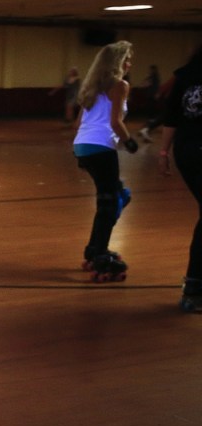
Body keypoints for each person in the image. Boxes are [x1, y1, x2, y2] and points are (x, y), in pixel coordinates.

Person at [72, 41, 138, 281]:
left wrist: (81, 156)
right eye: (127, 59)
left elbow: (78, 124)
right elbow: (115, 122)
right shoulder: (120, 86)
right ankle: (99, 255)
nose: (130, 63)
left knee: (116, 197)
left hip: (82, 146)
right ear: (118, 63)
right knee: (110, 204)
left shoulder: (90, 87)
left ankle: (94, 249)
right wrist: (130, 143)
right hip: (101, 147)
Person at [157, 45, 202, 311]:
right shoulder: (186, 75)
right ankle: (194, 288)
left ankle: (194, 287)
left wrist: (164, 151)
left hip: (186, 151)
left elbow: (171, 115)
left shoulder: (185, 74)